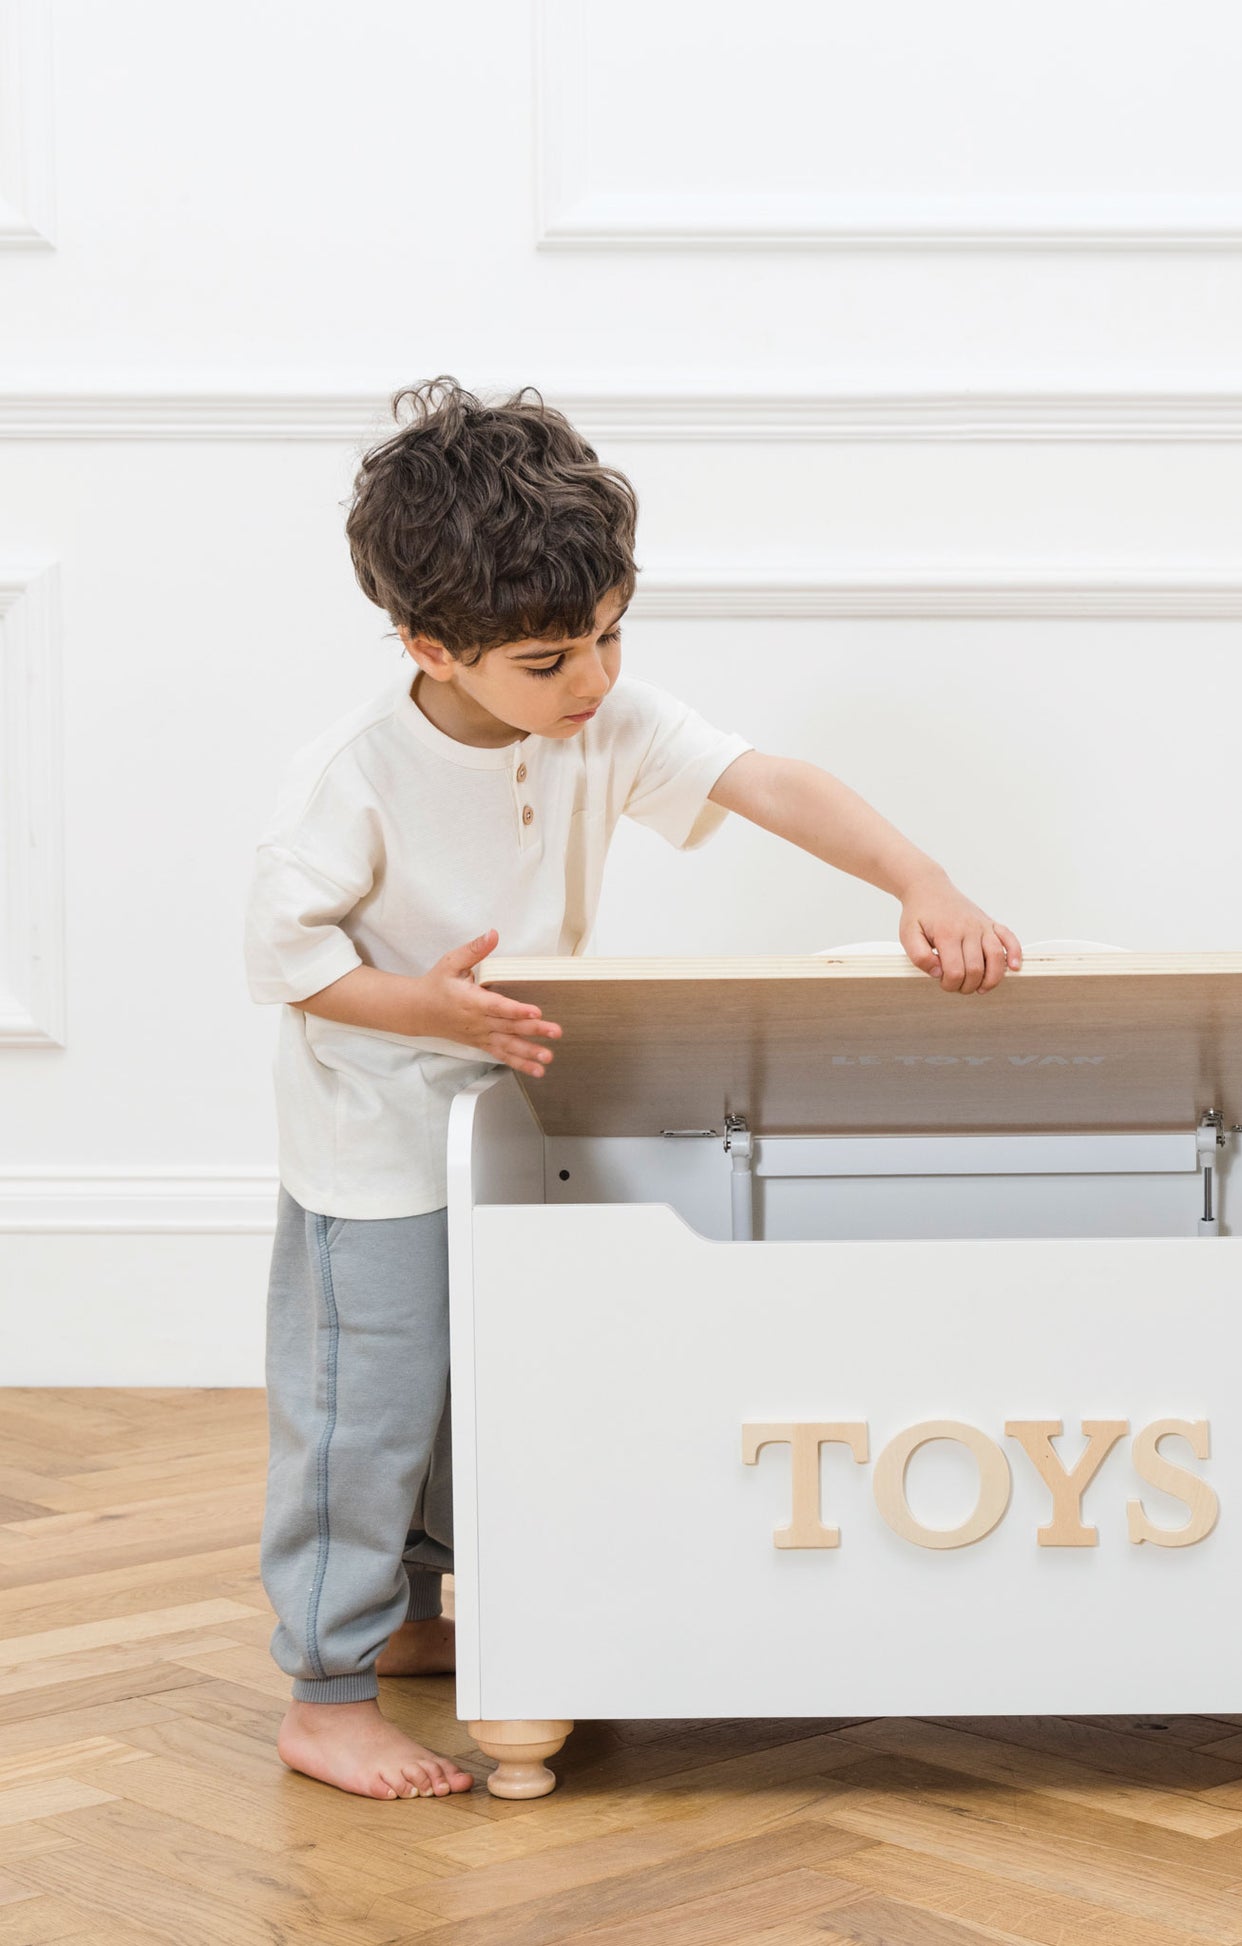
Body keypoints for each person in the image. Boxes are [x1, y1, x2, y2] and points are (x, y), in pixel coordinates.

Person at [241, 376, 1021, 1800]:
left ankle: (415, 1612)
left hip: (506, 1111)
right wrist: (420, 1002)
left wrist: (923, 877)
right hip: (375, 1141)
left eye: (610, 632)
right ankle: (323, 1685)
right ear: (430, 644)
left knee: (486, 1378)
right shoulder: (349, 781)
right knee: (367, 1401)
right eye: (549, 658)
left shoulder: (596, 718)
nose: (590, 678)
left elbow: (767, 779)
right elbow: (284, 962)